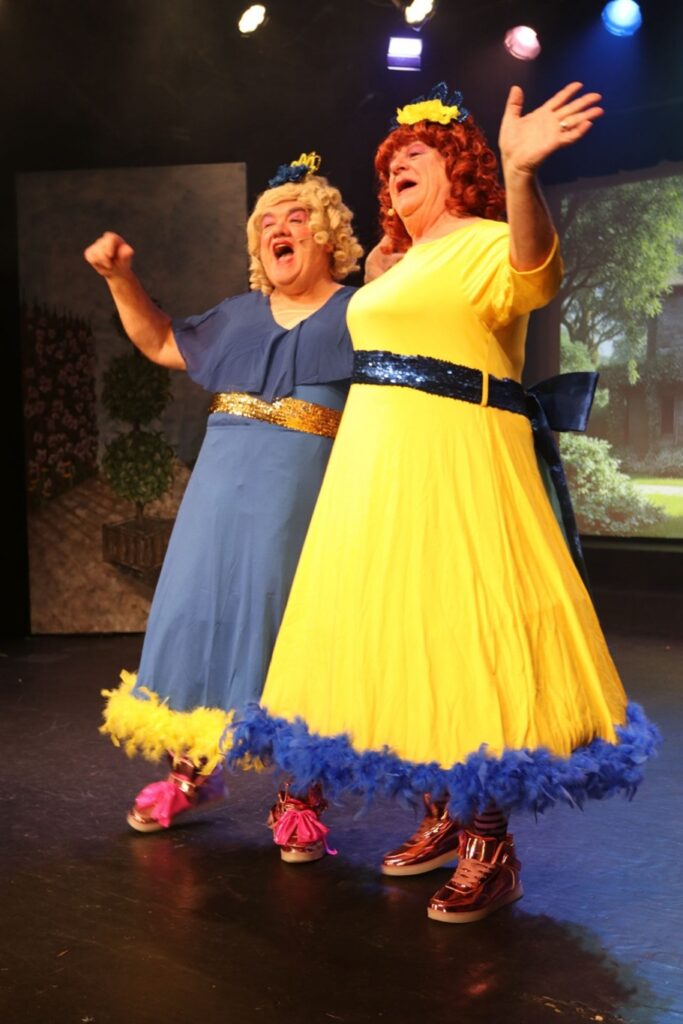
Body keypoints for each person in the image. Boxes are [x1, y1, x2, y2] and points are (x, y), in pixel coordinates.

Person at [229, 84, 660, 922]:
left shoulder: (490, 241)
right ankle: (442, 812)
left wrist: (520, 172)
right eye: (388, 165)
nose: (395, 171)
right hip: (375, 471)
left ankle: (489, 846)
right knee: (402, 637)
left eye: (414, 157)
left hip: (456, 464)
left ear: (457, 168)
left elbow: (534, 274)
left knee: (463, 637)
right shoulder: (389, 266)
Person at [86, 154, 363, 832]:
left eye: (295, 218)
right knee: (198, 615)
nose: (278, 230)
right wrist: (120, 277)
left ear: (327, 234)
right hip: (216, 501)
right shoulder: (238, 317)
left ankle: (301, 792)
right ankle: (191, 770)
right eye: (266, 224)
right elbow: (158, 340)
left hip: (301, 505)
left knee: (293, 629)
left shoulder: (361, 313)